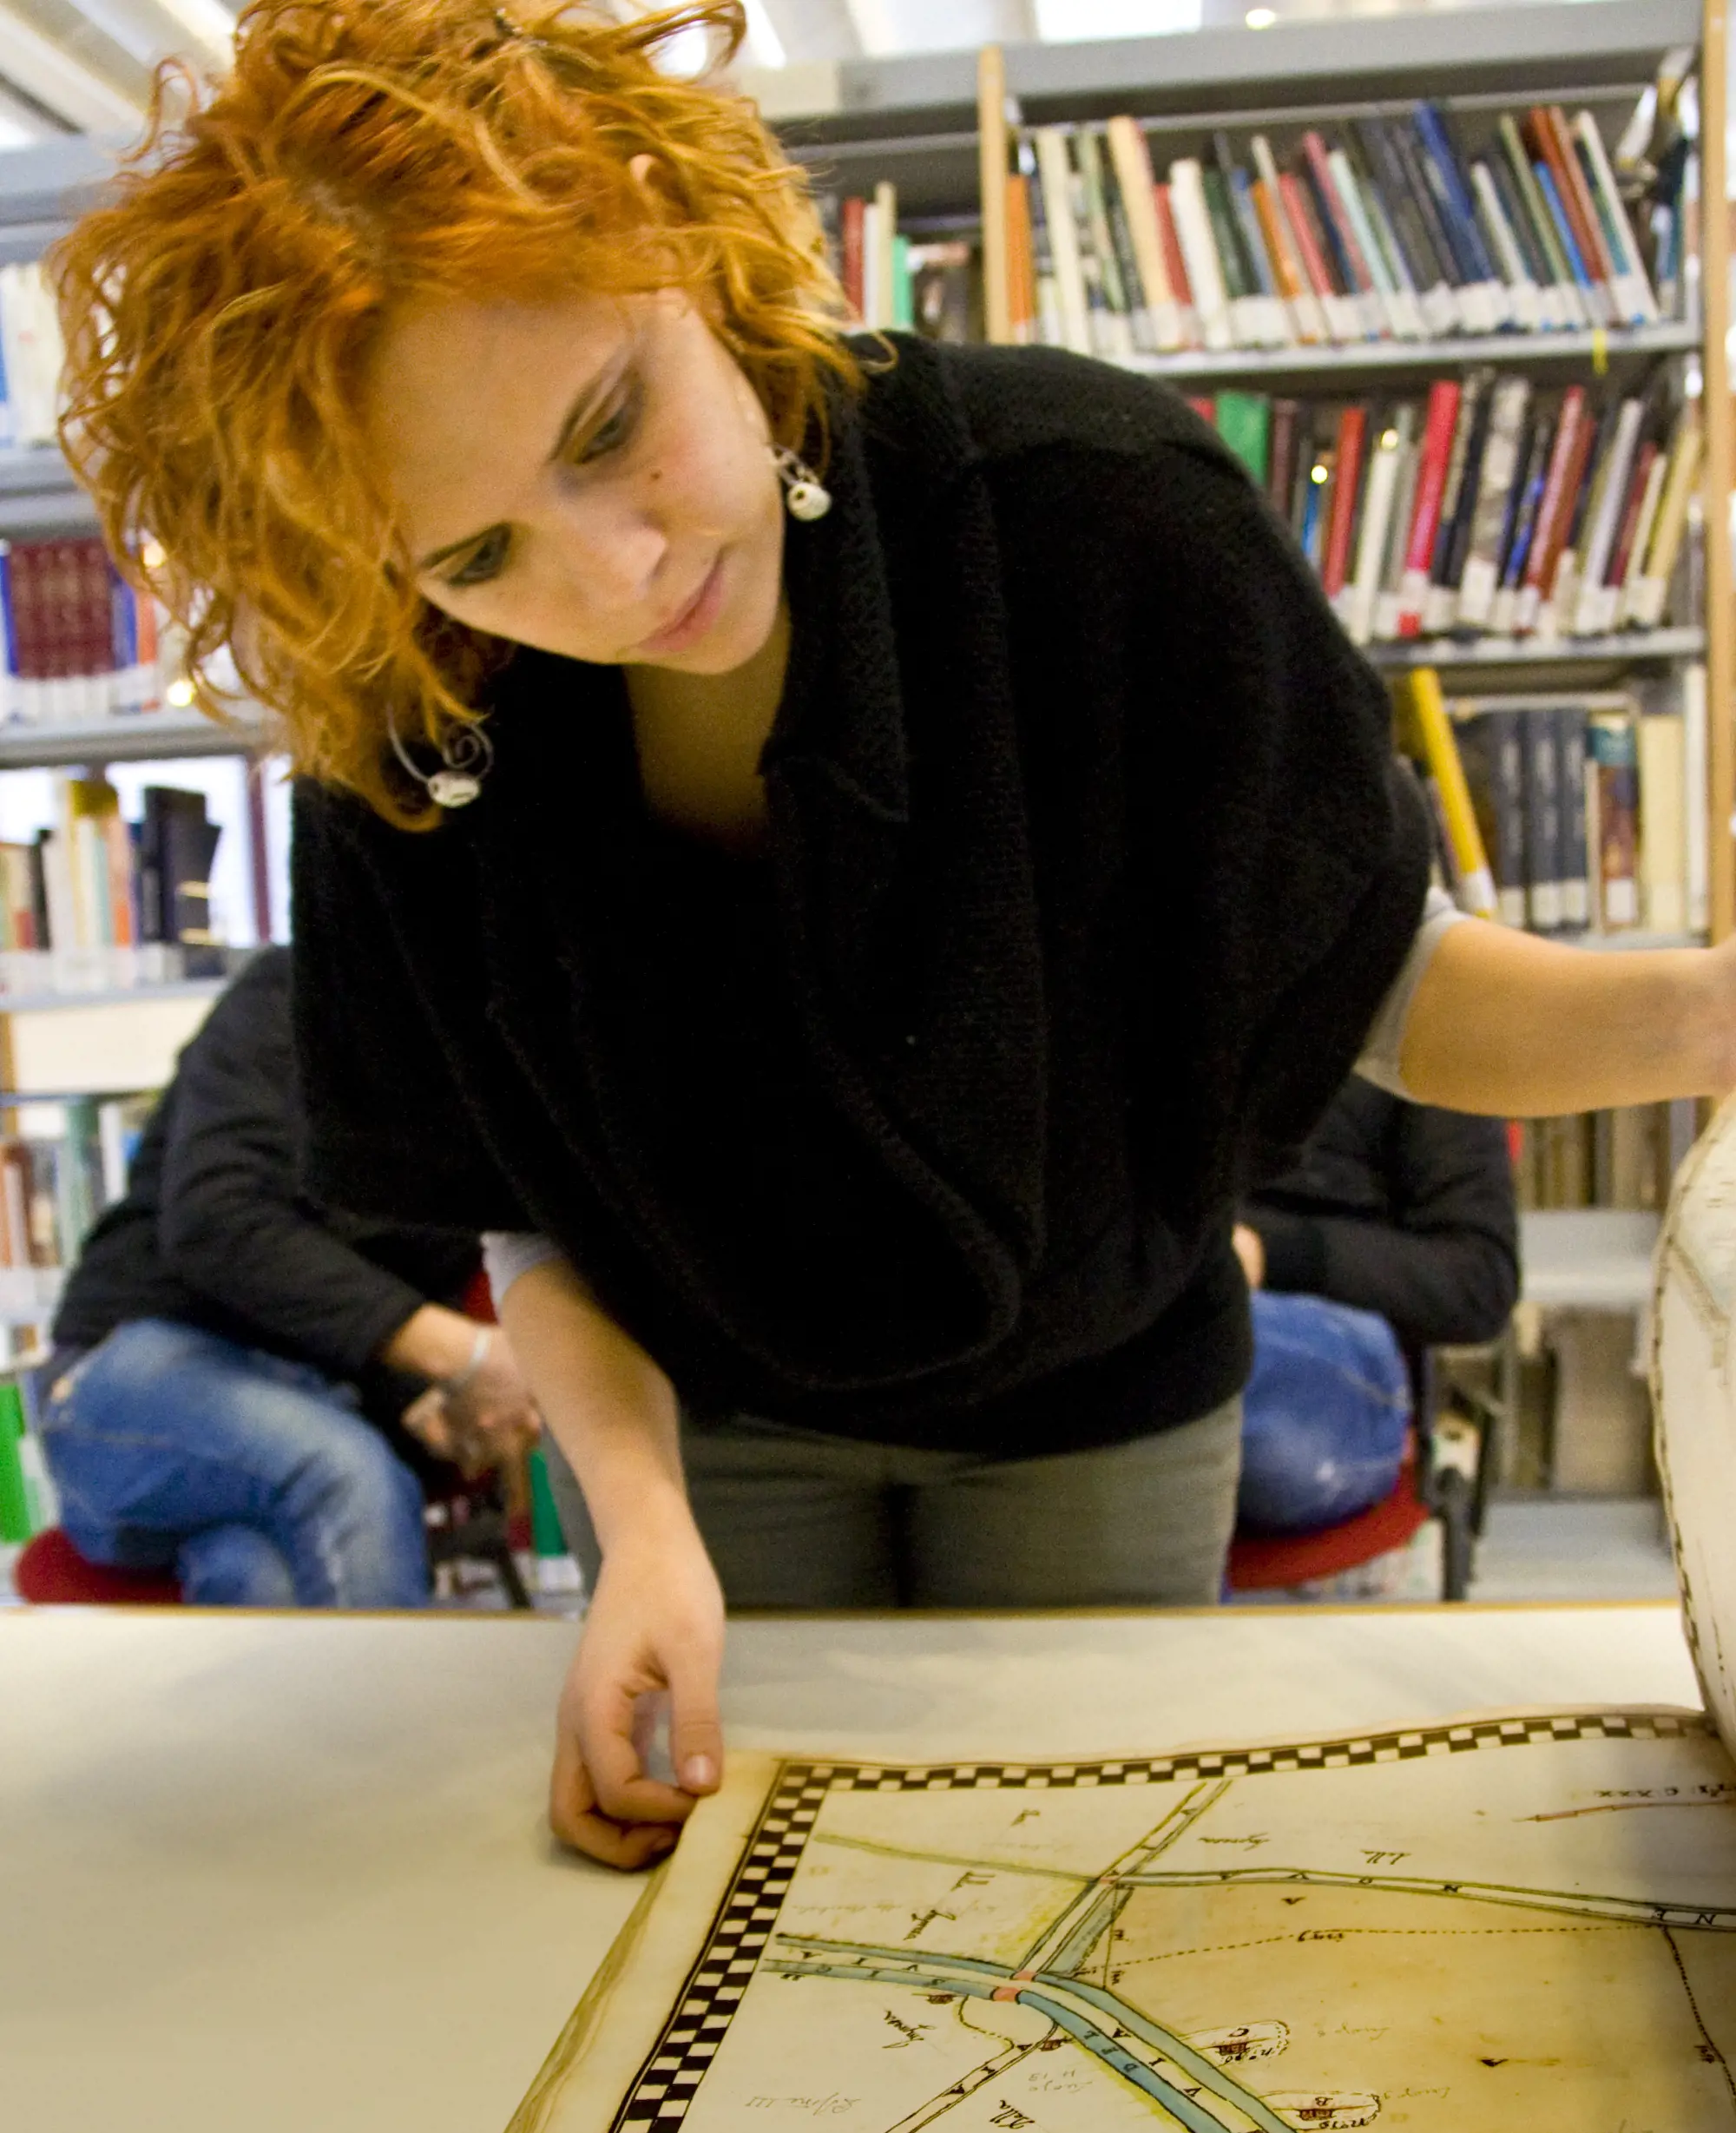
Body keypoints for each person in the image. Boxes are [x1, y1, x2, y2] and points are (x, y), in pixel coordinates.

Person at [50, 1, 1736, 1863]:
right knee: (753, 1904)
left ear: (673, 223)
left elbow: (1384, 982)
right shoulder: (411, 721)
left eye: (610, 426)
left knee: (1068, 1887)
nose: (615, 571)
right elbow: (521, 1205)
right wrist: (640, 1533)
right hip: (704, 1423)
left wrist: (1709, 1016)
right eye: (476, 554)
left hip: (1107, 1394)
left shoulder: (1093, 512)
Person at [39, 948, 540, 1606]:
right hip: (131, 1370)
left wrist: (428, 1400)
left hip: (311, 1401)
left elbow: (392, 1303)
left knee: (259, 1574)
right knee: (342, 1474)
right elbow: (217, 1219)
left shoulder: (491, 1086)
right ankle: (389, 1682)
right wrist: (463, 1355)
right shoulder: (298, 993)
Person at [1231, 1080, 1518, 1536]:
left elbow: (1479, 1282)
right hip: (1161, 1294)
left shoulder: (1425, 1045)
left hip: (1328, 1339)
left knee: (1199, 1348)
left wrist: (1269, 1253)